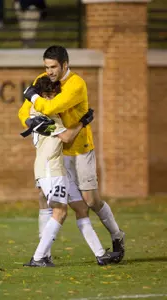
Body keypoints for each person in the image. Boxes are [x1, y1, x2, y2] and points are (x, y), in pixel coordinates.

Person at [18, 45, 125, 264]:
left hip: (79, 149)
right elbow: (24, 109)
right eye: (46, 67)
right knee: (45, 198)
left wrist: (33, 97)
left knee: (90, 200)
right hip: (57, 152)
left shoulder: (76, 83)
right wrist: (29, 121)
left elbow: (53, 106)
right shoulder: (44, 79)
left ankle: (117, 236)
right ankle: (44, 251)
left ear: (65, 64)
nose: (49, 72)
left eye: (54, 67)